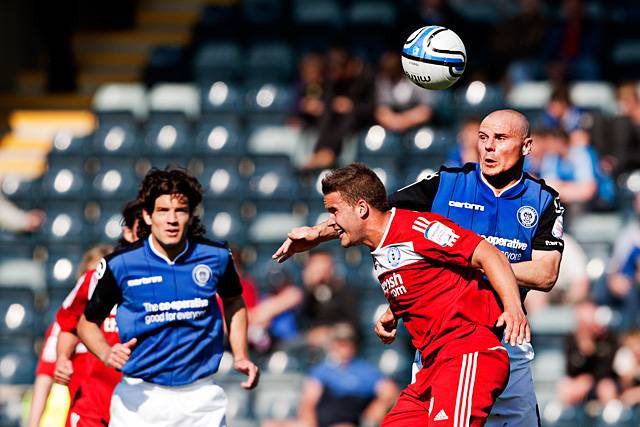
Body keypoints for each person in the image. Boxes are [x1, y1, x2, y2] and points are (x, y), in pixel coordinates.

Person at [273, 109, 565, 426]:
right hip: (439, 346)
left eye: (500, 138)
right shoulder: (445, 185)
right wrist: (318, 234)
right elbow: (373, 216)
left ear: (526, 146)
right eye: (482, 138)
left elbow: (545, 274)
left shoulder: (543, 201)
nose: (488, 147)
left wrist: (470, 258)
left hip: (503, 336)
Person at [77, 168, 259, 427]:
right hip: (139, 398)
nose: (172, 219)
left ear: (190, 215)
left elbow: (234, 302)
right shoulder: (120, 265)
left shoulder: (217, 257)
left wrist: (240, 355)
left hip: (200, 397)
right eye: (163, 211)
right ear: (148, 216)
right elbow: (86, 323)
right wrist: (107, 353)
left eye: (180, 210)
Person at [53, 200, 143, 427]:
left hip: (144, 403)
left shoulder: (171, 282)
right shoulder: (94, 279)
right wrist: (63, 358)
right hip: (93, 403)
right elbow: (69, 324)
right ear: (128, 233)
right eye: (142, 231)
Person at [26, 244, 113, 427]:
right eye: (90, 278)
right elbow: (44, 379)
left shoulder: (127, 319)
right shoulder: (64, 327)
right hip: (86, 417)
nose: (96, 288)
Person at [262, 323, 398, 427]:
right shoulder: (322, 369)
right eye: (338, 343)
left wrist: (377, 406)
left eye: (346, 343)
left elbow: (389, 391)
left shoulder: (364, 370)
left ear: (353, 345)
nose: (341, 347)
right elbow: (308, 402)